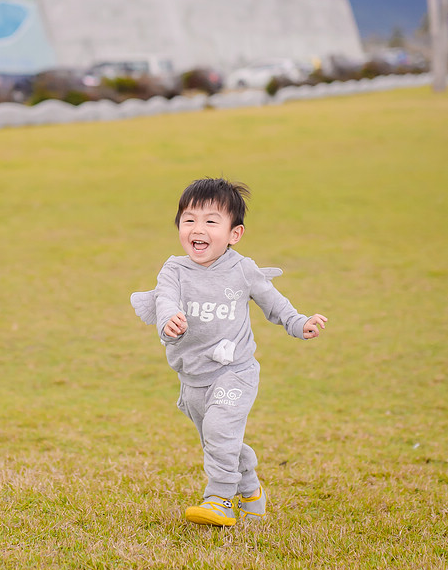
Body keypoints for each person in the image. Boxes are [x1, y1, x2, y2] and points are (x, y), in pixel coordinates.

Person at [131, 176, 326, 527]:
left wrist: (299, 323)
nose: (197, 228)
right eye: (188, 219)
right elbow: (165, 299)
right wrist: (168, 321)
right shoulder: (174, 268)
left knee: (221, 431)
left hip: (235, 371)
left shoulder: (242, 269)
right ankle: (251, 490)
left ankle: (219, 498)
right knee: (219, 441)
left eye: (210, 220)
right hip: (193, 378)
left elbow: (274, 303)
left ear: (234, 234)